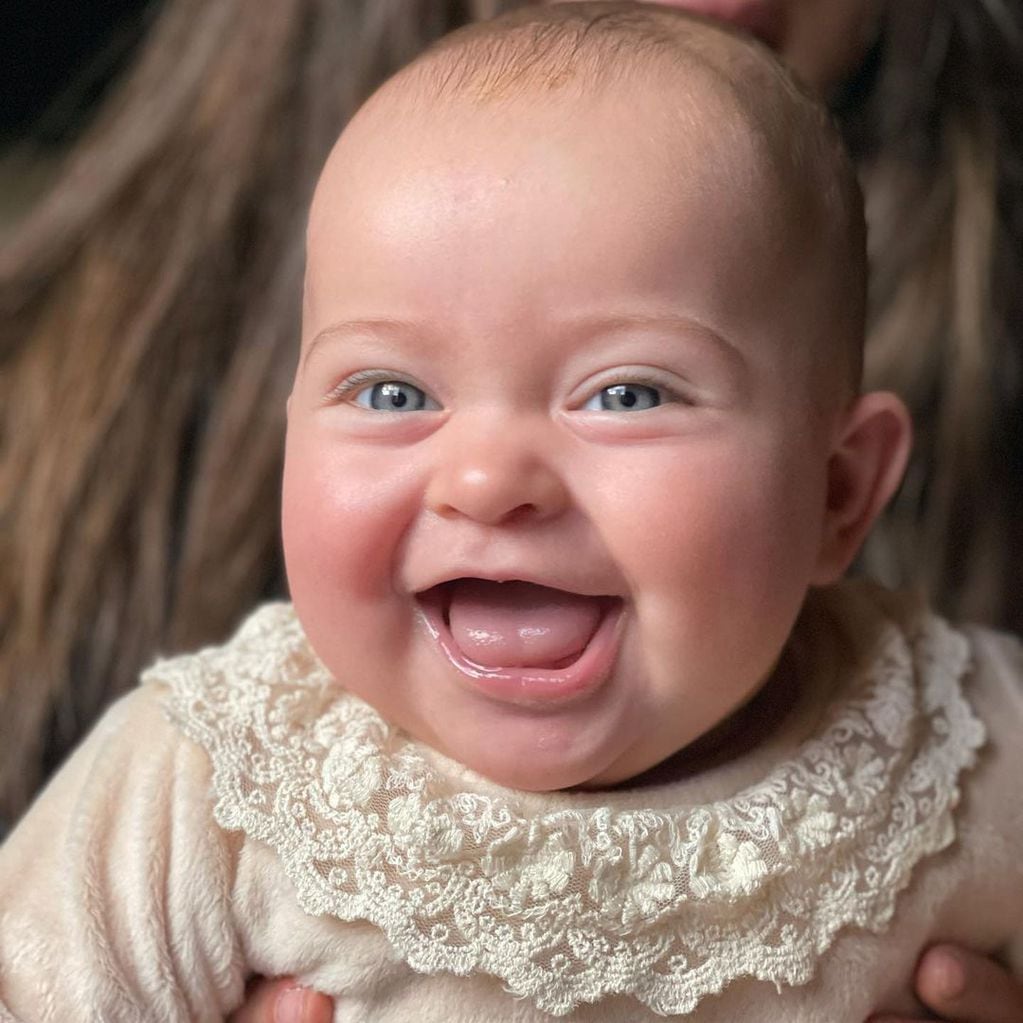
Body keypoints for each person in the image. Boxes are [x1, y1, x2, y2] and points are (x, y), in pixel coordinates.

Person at [1, 6, 1021, 1020]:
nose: (488, 482)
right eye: (393, 395)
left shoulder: (968, 749)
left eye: (628, 394)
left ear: (839, 492)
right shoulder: (215, 787)